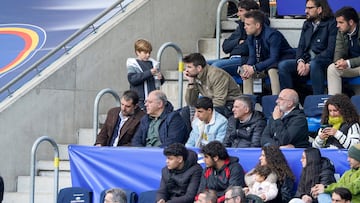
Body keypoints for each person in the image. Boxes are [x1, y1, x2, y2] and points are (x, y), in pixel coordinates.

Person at [278, 0, 337, 98]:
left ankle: (317, 100)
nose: (306, 11)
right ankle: (289, 101)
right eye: (306, 8)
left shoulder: (331, 24)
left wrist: (309, 64)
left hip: (323, 62)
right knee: (284, 66)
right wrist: (300, 61)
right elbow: (300, 47)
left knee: (314, 64)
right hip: (306, 61)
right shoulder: (307, 24)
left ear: (319, 9)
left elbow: (330, 50)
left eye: (310, 8)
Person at [240, 10, 295, 95]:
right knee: (246, 71)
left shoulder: (272, 35)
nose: (245, 27)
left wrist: (254, 68)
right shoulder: (250, 36)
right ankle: (248, 100)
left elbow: (274, 58)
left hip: (280, 62)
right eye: (244, 24)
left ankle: (275, 99)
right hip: (264, 63)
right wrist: (248, 67)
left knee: (272, 69)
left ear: (257, 25)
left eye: (248, 24)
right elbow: (252, 57)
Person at [208, 0, 260, 77]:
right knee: (200, 65)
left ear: (251, 11)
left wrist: (237, 46)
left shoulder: (257, 26)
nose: (238, 14)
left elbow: (247, 48)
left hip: (244, 60)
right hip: (231, 58)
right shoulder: (241, 26)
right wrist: (238, 42)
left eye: (241, 11)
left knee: (216, 66)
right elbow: (225, 47)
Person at [183, 53, 241, 118]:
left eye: (189, 67)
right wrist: (191, 82)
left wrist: (203, 112)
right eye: (186, 67)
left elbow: (219, 102)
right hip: (211, 103)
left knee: (206, 112)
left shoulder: (216, 75)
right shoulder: (195, 77)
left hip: (230, 104)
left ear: (199, 68)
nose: (186, 70)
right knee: (185, 112)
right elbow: (191, 102)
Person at [327, 6, 360, 95]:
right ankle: (334, 103)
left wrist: (348, 63)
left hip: (354, 64)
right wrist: (339, 61)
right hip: (351, 66)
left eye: (341, 22)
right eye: (337, 22)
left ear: (351, 22)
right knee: (332, 68)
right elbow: (338, 51)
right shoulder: (341, 31)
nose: (337, 26)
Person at [127, 39, 165, 109]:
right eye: (145, 53)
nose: (148, 55)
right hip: (139, 101)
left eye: (149, 53)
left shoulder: (153, 63)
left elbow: (159, 82)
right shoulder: (133, 63)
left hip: (152, 100)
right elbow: (132, 79)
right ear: (138, 52)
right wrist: (149, 73)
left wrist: (161, 77)